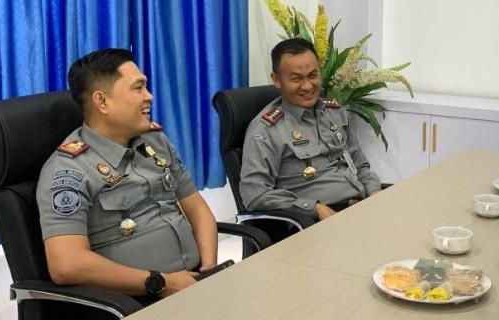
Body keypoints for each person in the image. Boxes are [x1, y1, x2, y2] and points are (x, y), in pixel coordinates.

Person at [36, 49, 218, 302]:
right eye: (138, 88)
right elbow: (67, 265)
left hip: (193, 284)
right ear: (102, 101)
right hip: (139, 299)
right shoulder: (69, 170)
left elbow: (196, 208)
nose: (149, 96)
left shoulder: (155, 141)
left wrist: (209, 269)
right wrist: (162, 283)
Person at [240, 38, 381, 224]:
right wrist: (315, 208)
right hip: (315, 222)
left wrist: (375, 194)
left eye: (312, 75)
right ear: (277, 80)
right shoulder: (266, 129)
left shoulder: (334, 112)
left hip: (359, 208)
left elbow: (359, 165)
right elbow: (254, 195)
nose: (307, 86)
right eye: (296, 79)